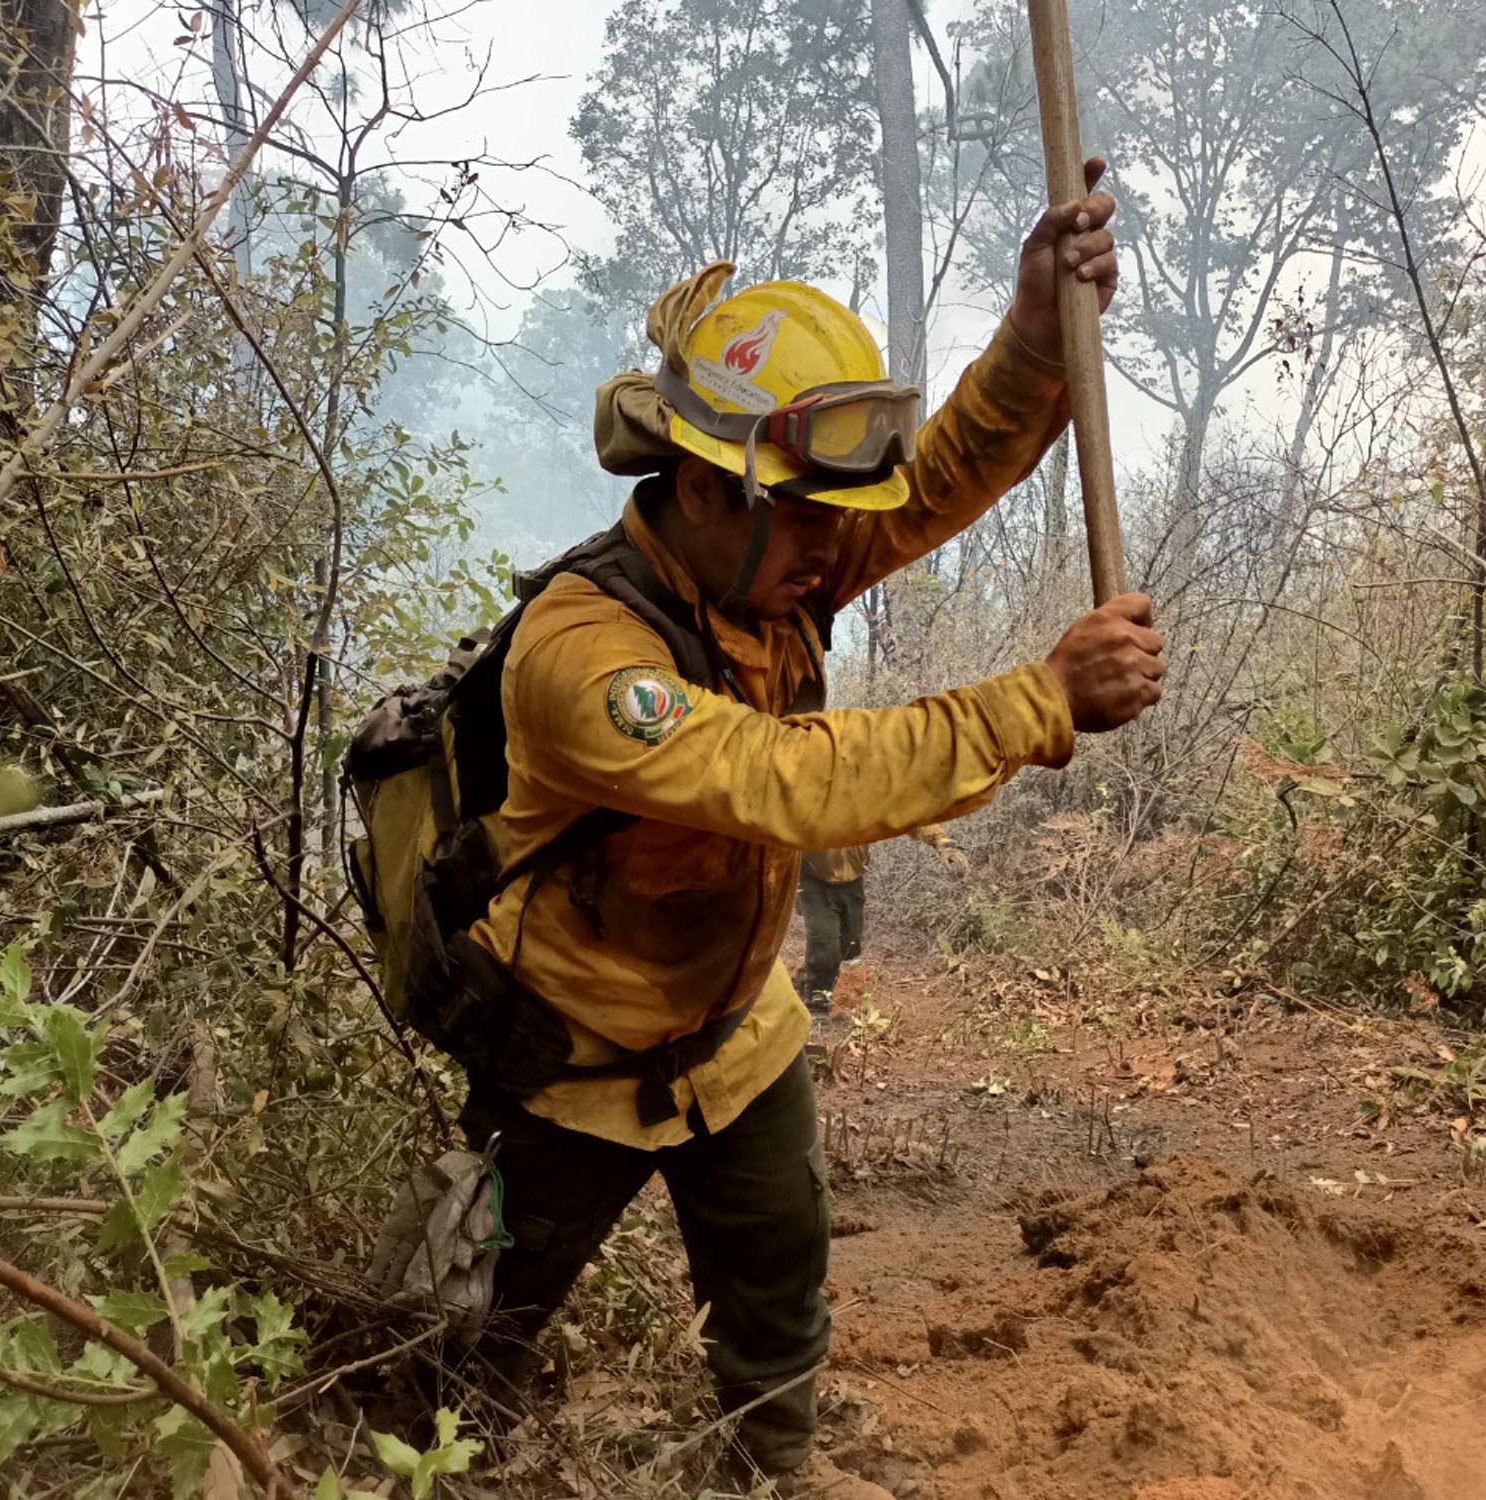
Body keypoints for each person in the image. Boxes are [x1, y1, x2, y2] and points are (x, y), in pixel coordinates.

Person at [454, 161, 1157, 1497]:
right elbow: (788, 780)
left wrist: (1033, 328)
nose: (837, 559)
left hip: (733, 1038)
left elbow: (941, 473)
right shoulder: (585, 655)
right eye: (812, 530)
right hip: (569, 1055)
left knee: (778, 1310)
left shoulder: (773, 557)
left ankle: (766, 1476)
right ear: (708, 488)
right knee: (478, 1341)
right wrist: (1040, 703)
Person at [796, 829, 963, 1011]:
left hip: (851, 882)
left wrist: (941, 842)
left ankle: (806, 977)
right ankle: (816, 1007)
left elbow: (907, 810)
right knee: (825, 943)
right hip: (811, 879)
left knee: (849, 947)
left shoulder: (866, 800)